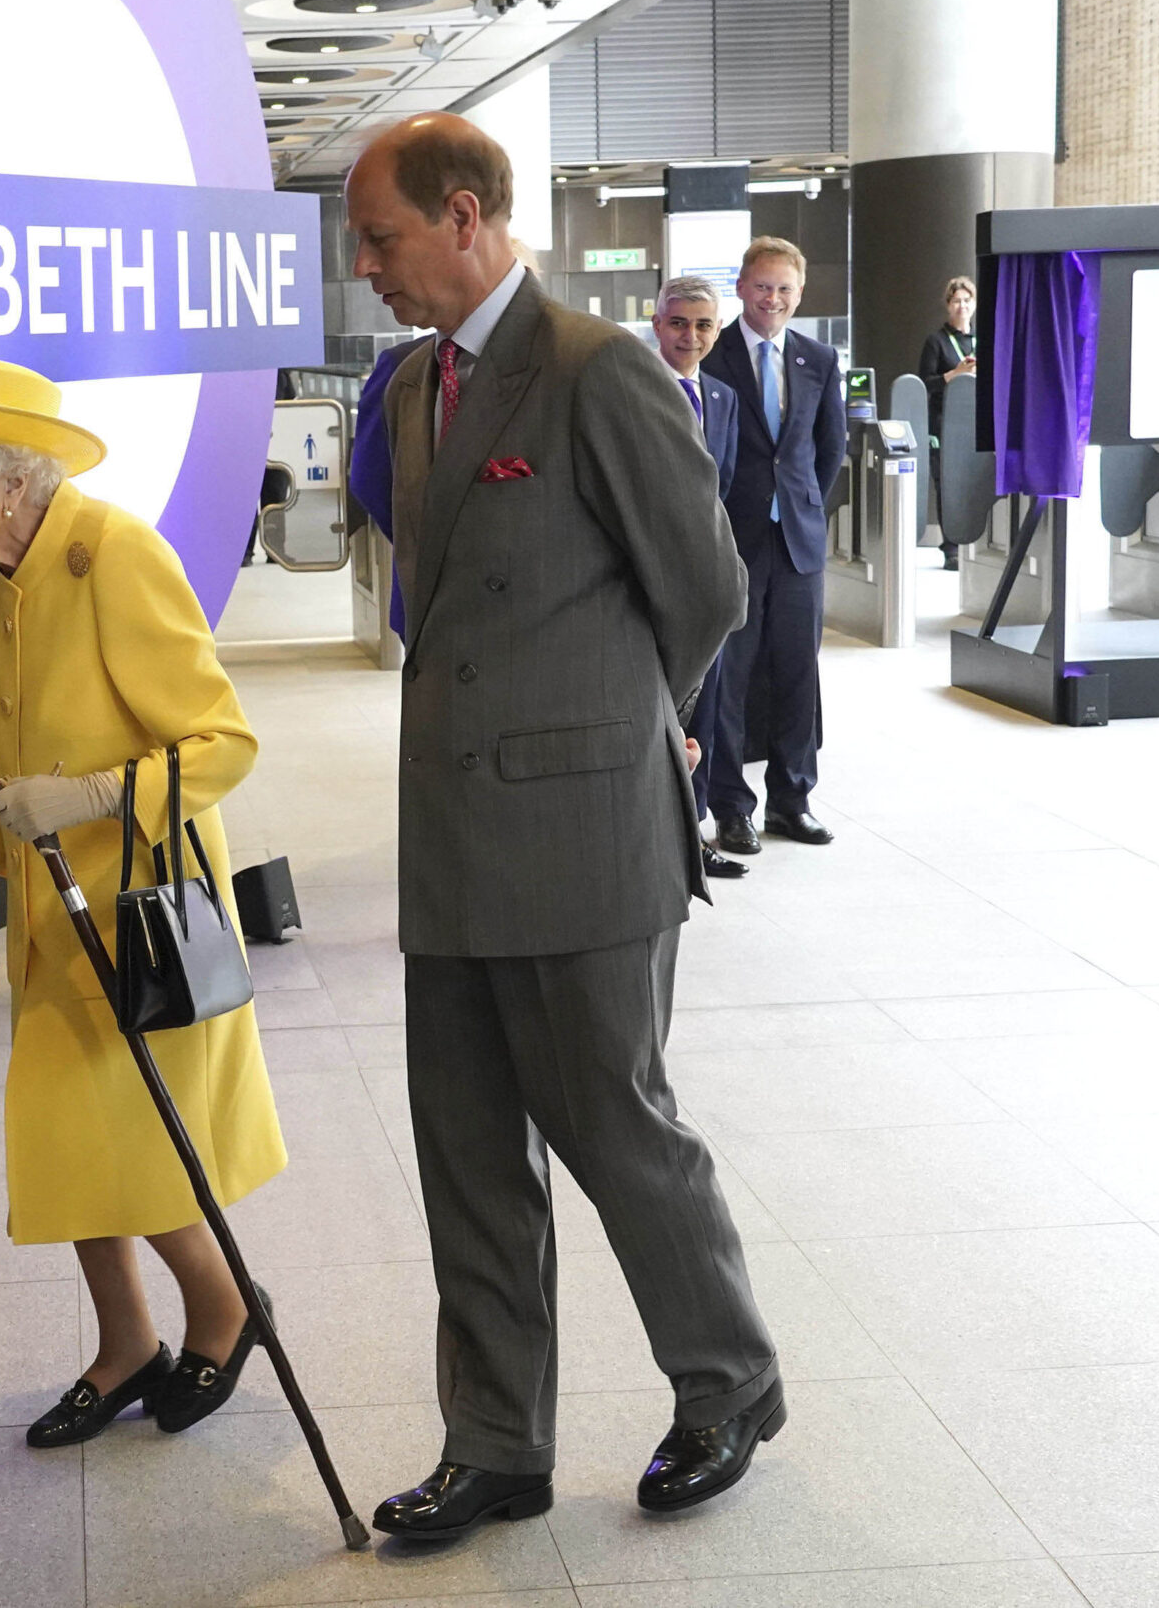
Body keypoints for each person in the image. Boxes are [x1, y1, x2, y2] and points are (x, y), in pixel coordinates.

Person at [343, 115, 780, 1538]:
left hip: (588, 833)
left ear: (464, 218)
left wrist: (621, 727)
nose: (368, 270)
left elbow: (706, 588)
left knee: (615, 1124)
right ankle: (495, 1441)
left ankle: (725, 1382)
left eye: (383, 239)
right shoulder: (411, 385)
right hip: (449, 836)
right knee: (464, 1148)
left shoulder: (600, 372)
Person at [0, 356, 287, 1450]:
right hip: (51, 894)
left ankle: (225, 1306)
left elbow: (224, 745)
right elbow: (10, 745)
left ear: (8, 474)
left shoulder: (116, 553)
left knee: (139, 1131)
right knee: (68, 1132)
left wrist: (90, 794)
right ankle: (126, 1339)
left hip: (139, 903)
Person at [699, 236, 846, 856]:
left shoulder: (818, 358)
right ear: (740, 286)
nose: (774, 299)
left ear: (800, 293)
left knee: (797, 675)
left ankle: (793, 799)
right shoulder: (714, 352)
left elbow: (829, 448)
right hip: (733, 540)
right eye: (763, 286)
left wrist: (803, 508)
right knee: (730, 677)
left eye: (785, 289)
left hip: (799, 545)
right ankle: (733, 807)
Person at [650, 275, 747, 881]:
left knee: (704, 709)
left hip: (703, 581)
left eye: (703, 324)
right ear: (657, 324)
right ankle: (660, 833)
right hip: (649, 577)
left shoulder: (722, 398)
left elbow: (723, 488)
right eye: (679, 322)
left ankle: (695, 831)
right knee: (660, 710)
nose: (691, 335)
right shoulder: (632, 388)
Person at [919, 276, 978, 570]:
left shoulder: (983, 338)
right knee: (947, 485)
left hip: (977, 423)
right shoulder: (937, 341)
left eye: (967, 300)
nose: (962, 306)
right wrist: (953, 374)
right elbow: (923, 384)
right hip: (944, 424)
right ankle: (951, 546)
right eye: (957, 301)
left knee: (975, 483)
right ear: (948, 305)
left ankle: (976, 542)